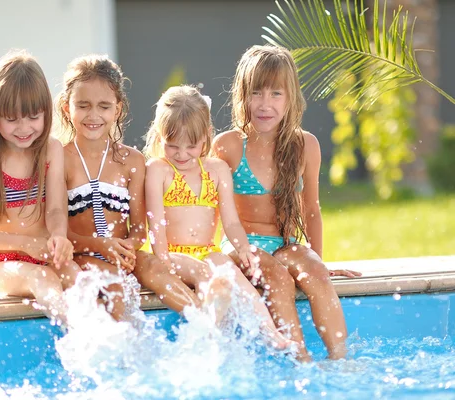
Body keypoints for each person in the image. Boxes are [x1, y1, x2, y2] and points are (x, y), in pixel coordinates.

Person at [212, 45, 361, 361]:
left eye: (276, 94)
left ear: (291, 98)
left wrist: (318, 262)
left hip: (286, 243)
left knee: (317, 277)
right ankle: (301, 361)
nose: (265, 104)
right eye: (257, 93)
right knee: (277, 278)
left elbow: (311, 210)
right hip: (244, 245)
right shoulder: (228, 146)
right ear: (243, 96)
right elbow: (208, 206)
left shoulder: (305, 145)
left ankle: (341, 360)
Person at [56, 55, 230, 322]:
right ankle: (123, 356)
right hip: (80, 254)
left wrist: (127, 246)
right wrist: (100, 245)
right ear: (67, 108)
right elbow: (57, 228)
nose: (93, 115)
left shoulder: (132, 161)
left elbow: (139, 229)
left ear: (117, 109)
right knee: (116, 287)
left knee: (164, 269)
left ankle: (204, 328)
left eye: (104, 106)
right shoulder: (60, 158)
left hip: (124, 254)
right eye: (83, 106)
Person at [143, 85, 293, 348]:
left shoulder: (216, 169)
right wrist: (163, 258)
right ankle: (207, 335)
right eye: (172, 146)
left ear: (206, 138)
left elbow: (231, 222)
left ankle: (269, 331)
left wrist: (243, 248)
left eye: (191, 147)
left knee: (231, 273)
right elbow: (155, 224)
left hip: (207, 250)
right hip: (172, 253)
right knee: (207, 275)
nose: (181, 154)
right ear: (160, 137)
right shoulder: (159, 170)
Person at [0, 50, 80, 322]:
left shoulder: (50, 150)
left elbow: (57, 210)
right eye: (12, 119)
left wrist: (59, 236)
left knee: (81, 282)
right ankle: (77, 345)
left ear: (46, 112)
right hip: (2, 264)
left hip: (45, 255)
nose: (24, 128)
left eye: (33, 117)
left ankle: (103, 345)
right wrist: (24, 244)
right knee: (43, 278)